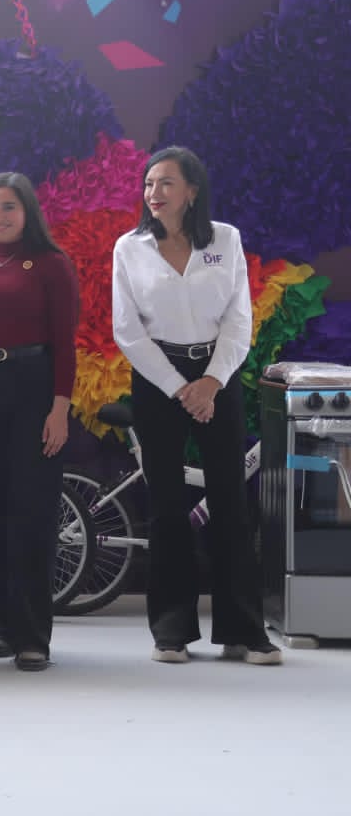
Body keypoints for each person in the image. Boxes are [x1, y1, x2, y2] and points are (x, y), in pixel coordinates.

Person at [111, 146, 279, 665]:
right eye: (148, 183)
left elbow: (239, 319)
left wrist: (210, 382)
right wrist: (177, 387)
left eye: (165, 183)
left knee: (230, 502)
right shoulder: (129, 248)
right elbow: (127, 330)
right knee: (166, 505)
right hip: (157, 378)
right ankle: (171, 630)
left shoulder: (225, 240)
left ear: (192, 190)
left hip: (217, 375)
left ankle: (244, 630)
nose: (153, 193)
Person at [0, 171, 80, 672]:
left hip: (35, 389)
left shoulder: (51, 264)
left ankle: (33, 634)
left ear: (27, 211)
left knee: (33, 512)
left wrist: (60, 408)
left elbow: (65, 342)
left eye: (8, 207)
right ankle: (0, 624)